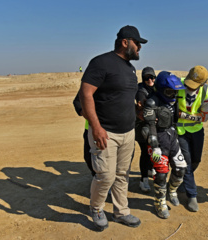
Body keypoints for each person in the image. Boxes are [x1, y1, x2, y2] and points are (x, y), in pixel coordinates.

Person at [79, 25, 147, 231]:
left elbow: (122, 97)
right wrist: (96, 127)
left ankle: (121, 212)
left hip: (128, 132)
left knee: (122, 174)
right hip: (105, 132)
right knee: (105, 176)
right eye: (137, 44)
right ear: (125, 42)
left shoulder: (130, 68)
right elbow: (85, 94)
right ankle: (97, 208)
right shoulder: (101, 62)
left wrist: (138, 111)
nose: (139, 49)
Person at [142, 71, 187, 219]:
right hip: (158, 141)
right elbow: (150, 126)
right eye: (169, 91)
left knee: (181, 169)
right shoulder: (152, 102)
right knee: (161, 174)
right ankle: (159, 202)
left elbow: (174, 120)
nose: (173, 95)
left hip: (172, 137)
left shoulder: (173, 102)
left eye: (174, 92)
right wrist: (154, 145)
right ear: (160, 89)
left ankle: (172, 191)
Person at [176, 65, 208, 212]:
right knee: (186, 162)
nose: (190, 88)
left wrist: (183, 115)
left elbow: (204, 117)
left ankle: (180, 182)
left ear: (204, 83)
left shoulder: (207, 92)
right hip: (180, 131)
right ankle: (192, 195)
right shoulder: (177, 84)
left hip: (197, 131)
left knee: (195, 161)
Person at [135, 66, 156, 192]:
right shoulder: (141, 90)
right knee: (145, 152)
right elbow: (142, 107)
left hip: (152, 125)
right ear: (143, 79)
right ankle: (143, 180)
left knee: (152, 150)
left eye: (152, 77)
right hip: (141, 127)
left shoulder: (155, 88)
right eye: (147, 78)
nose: (150, 80)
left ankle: (149, 169)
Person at [73, 92, 95, 176]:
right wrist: (85, 113)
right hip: (90, 129)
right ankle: (96, 176)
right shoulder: (90, 85)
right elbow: (77, 101)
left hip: (113, 130)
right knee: (89, 157)